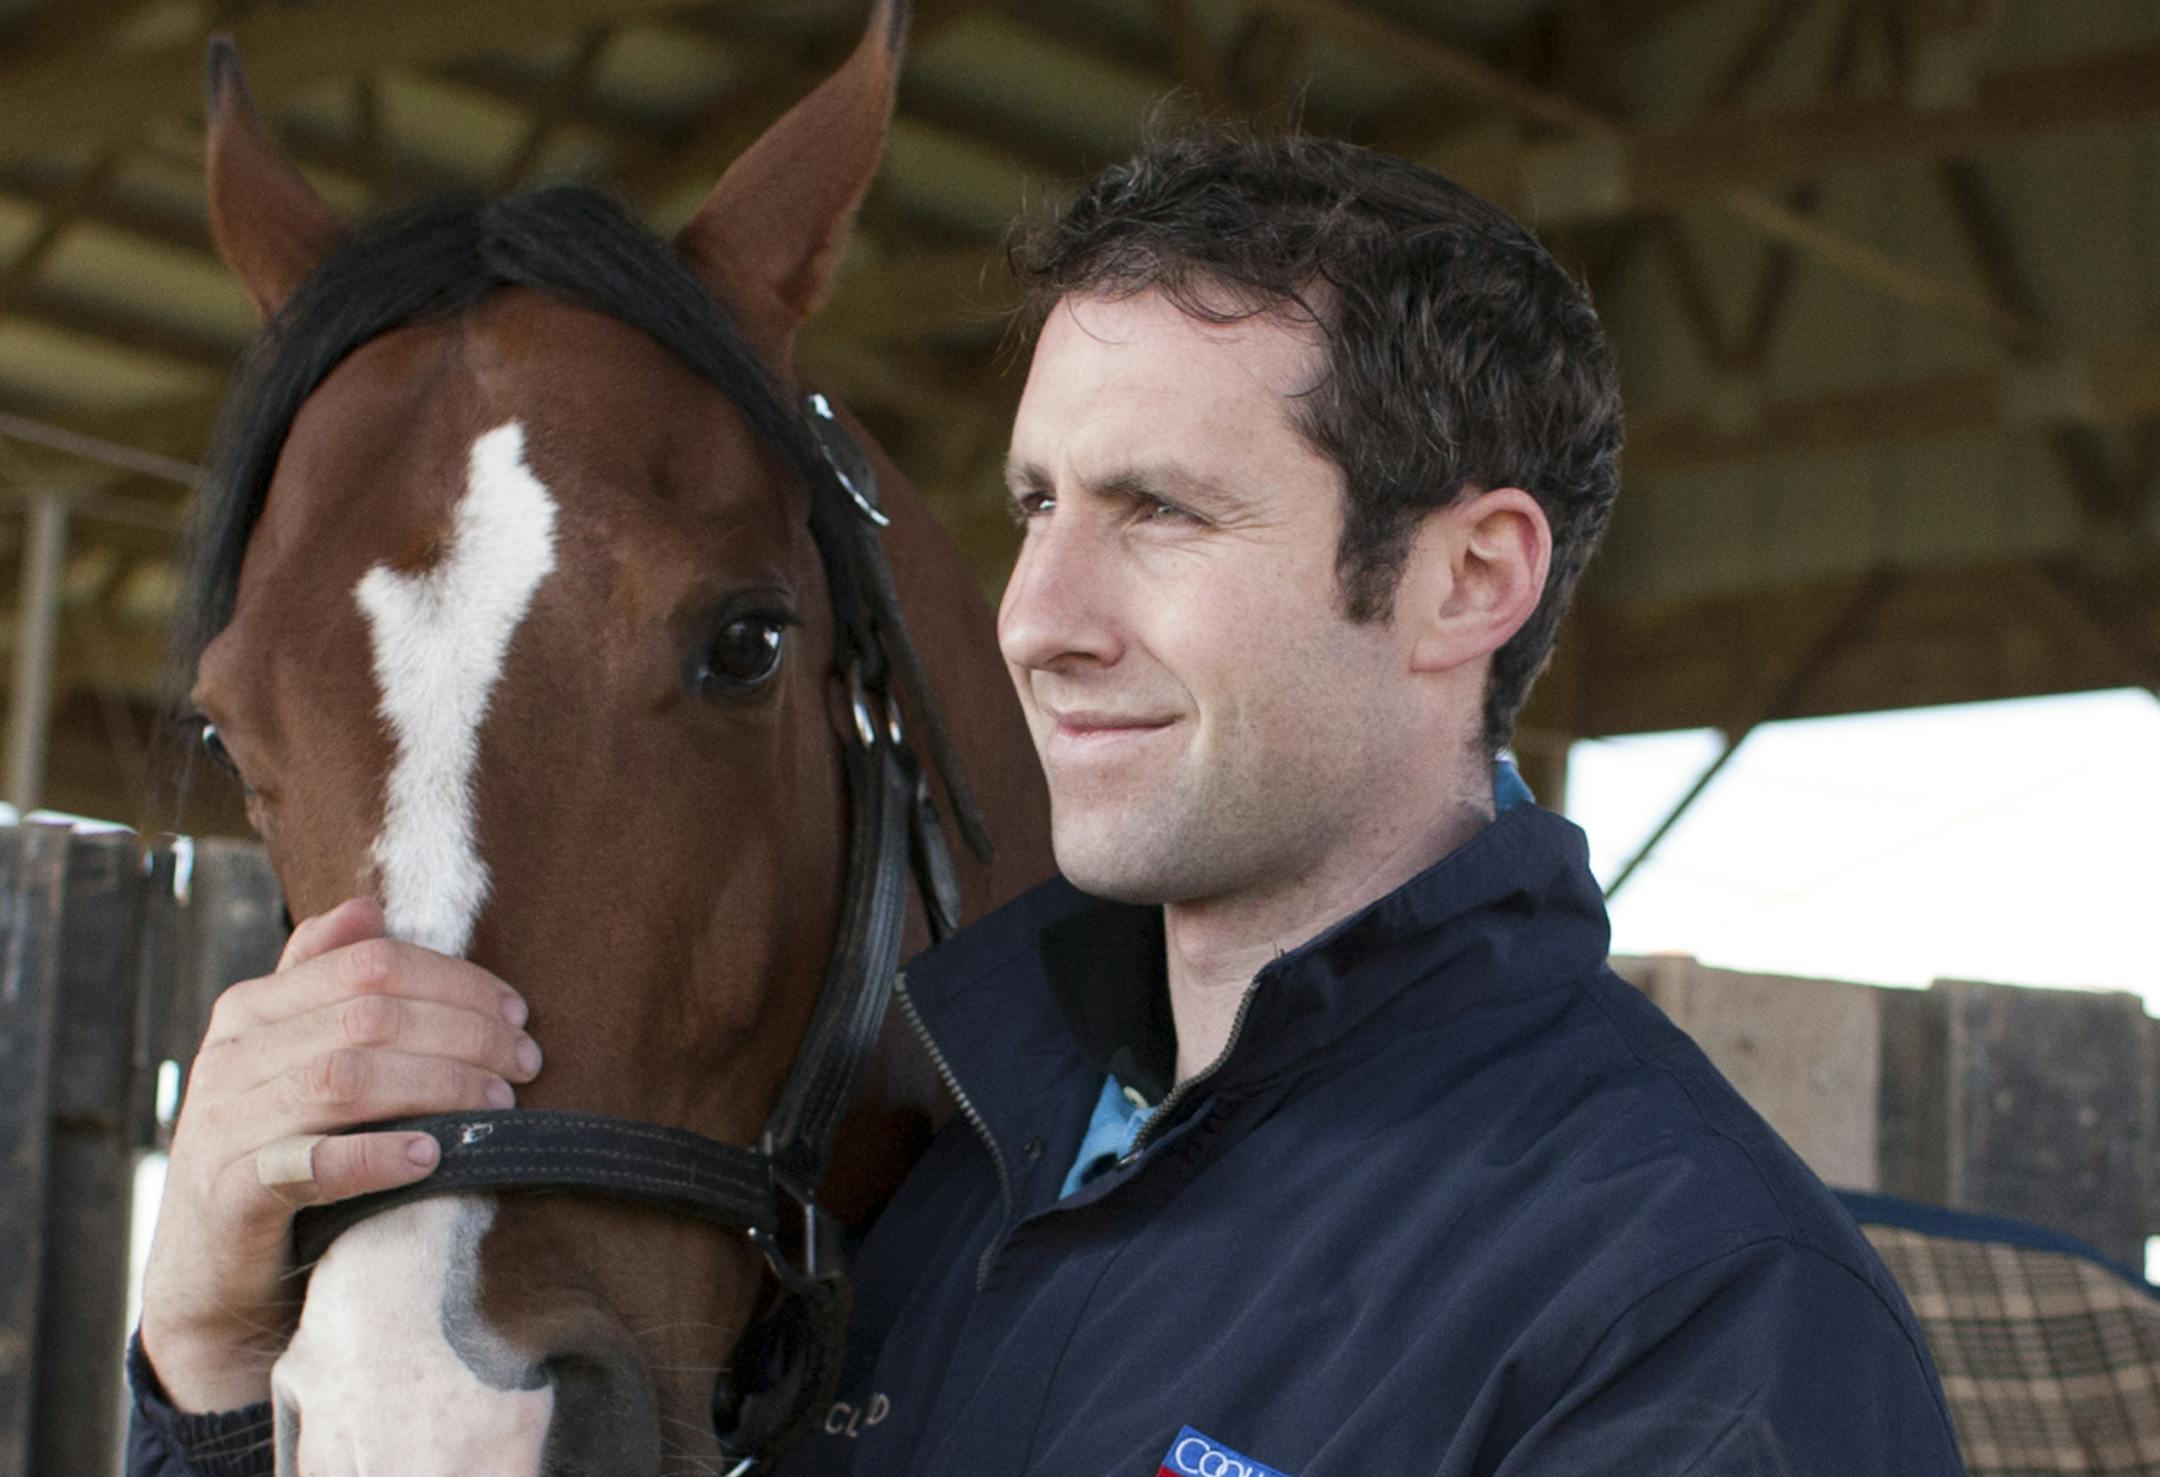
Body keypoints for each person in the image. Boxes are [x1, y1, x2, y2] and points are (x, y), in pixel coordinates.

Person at [127, 127, 1966, 1476]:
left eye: (1158, 510)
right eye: (1033, 508)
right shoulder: (933, 1216)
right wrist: (207, 1377)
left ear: (1467, 581)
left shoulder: (1685, 1313)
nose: (1037, 622)